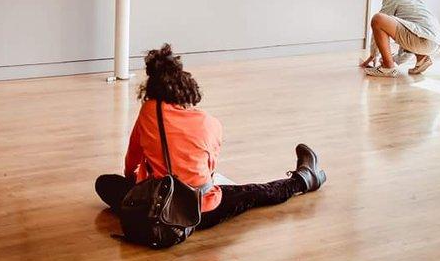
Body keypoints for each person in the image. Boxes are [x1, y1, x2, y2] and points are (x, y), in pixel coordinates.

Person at [95, 44, 326, 230]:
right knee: (256, 193)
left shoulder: (148, 112)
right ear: (186, 87)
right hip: (202, 213)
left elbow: (132, 158)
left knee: (104, 183)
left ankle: (306, 177)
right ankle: (305, 178)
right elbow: (209, 169)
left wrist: (133, 183)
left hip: (156, 206)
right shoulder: (209, 122)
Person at [361, 0, 440, 77]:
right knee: (410, 27)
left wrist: (373, 54)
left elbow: (379, 23)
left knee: (378, 18)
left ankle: (388, 68)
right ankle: (422, 59)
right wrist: (394, 59)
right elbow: (406, 36)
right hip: (436, 43)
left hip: (423, 40)